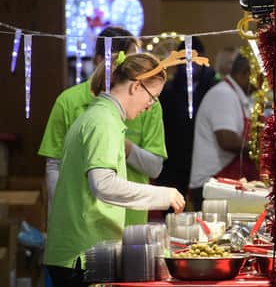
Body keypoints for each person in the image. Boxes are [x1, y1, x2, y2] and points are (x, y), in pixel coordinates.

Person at [44, 52, 185, 287]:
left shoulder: (99, 115)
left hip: (79, 251)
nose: (150, 107)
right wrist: (164, 195)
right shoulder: (103, 121)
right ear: (136, 87)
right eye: (152, 97)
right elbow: (104, 184)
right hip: (81, 254)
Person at [38, 26, 167, 226]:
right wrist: (61, 213)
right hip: (85, 222)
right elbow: (103, 184)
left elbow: (154, 167)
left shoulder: (129, 109)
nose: (150, 105)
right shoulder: (97, 115)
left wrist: (127, 148)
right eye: (128, 62)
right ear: (101, 60)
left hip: (127, 221)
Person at [189, 53, 260, 210]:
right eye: (260, 79)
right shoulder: (224, 94)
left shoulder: (237, 96)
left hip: (223, 182)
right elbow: (227, 140)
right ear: (246, 74)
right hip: (211, 185)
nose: (261, 86)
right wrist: (260, 150)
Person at [156, 37, 217, 198]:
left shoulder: (213, 88)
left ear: (202, 57)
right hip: (175, 160)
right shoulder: (168, 91)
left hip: (204, 158)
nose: (189, 65)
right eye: (184, 60)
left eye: (193, 59)